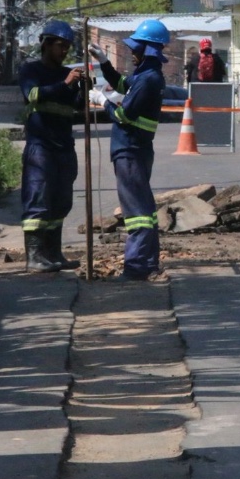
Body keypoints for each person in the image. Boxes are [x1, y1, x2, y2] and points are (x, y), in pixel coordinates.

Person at [87, 18, 169, 282]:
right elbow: (123, 85)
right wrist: (104, 63)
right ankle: (145, 263)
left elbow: (123, 114)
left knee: (137, 213)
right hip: (135, 149)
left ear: (149, 50)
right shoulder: (146, 75)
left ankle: (138, 266)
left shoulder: (149, 79)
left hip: (131, 150)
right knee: (141, 208)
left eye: (136, 48)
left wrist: (101, 100)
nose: (132, 52)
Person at [18, 19, 87, 273]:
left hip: (63, 146)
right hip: (41, 146)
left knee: (60, 201)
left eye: (67, 46)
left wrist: (81, 90)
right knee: (38, 198)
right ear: (45, 44)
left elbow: (76, 107)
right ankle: (34, 257)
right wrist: (66, 83)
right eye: (60, 45)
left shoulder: (65, 73)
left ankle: (53, 253)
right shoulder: (31, 70)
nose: (64, 51)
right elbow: (32, 95)